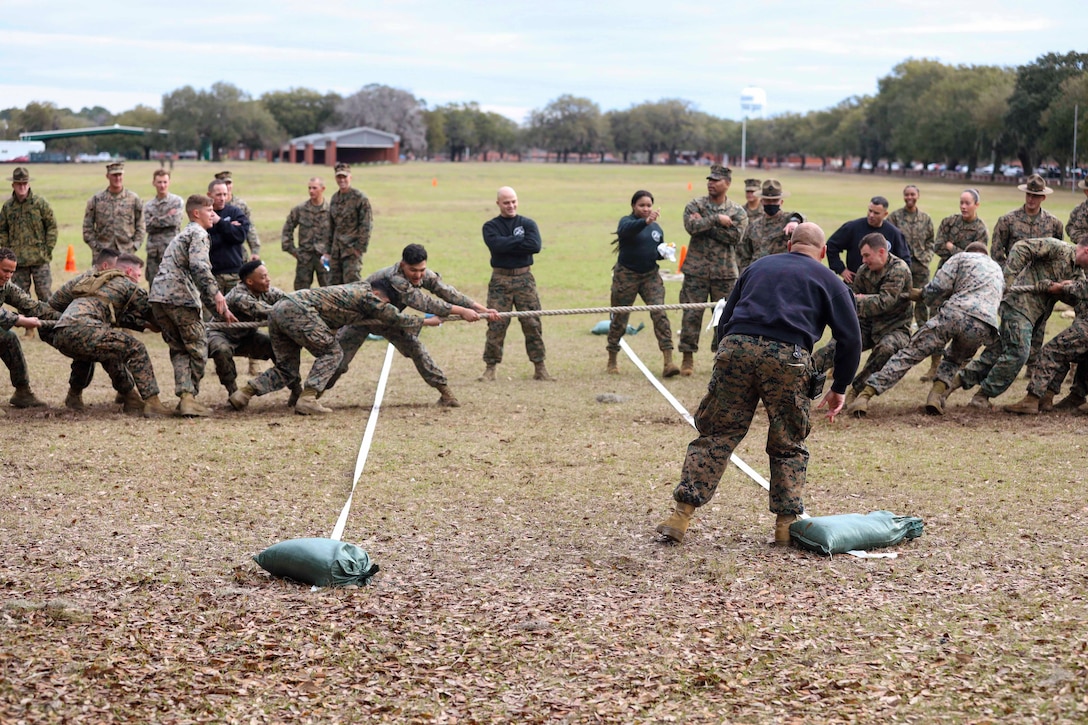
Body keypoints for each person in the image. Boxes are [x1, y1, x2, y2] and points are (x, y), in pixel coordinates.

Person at [655, 223, 861, 546]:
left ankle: (680, 516)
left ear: (790, 243)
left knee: (715, 433)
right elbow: (851, 339)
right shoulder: (829, 280)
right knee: (788, 441)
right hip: (788, 357)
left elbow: (725, 319)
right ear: (822, 252)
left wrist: (727, 356)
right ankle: (784, 525)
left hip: (736, 346)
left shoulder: (757, 267)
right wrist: (840, 387)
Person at [228, 279, 440, 415]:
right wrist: (426, 321)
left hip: (280, 310)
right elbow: (393, 318)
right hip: (298, 310)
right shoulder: (368, 296)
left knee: (287, 368)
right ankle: (308, 398)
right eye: (383, 302)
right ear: (378, 295)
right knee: (332, 352)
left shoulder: (355, 289)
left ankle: (244, 393)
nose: (381, 307)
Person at [329, 243, 497, 407]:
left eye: (421, 270)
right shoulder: (395, 279)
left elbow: (447, 292)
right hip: (363, 319)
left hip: (392, 319)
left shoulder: (424, 274)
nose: (418, 275)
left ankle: (446, 394)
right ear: (403, 265)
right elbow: (426, 304)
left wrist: (481, 309)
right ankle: (311, 397)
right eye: (413, 270)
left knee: (417, 350)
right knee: (339, 360)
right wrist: (462, 311)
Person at [847, 242, 1002, 417]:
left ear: (969, 252)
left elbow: (939, 286)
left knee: (909, 355)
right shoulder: (997, 270)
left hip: (955, 313)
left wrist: (921, 295)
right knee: (954, 360)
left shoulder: (961, 258)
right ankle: (934, 397)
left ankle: (865, 396)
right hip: (983, 325)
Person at [947, 237, 1083, 410]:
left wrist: (1063, 288)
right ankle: (983, 395)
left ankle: (950, 385)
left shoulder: (1078, 274)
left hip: (1034, 318)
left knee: (996, 353)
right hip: (1018, 306)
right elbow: (1021, 247)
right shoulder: (1059, 249)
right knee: (1019, 353)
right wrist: (1007, 281)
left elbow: (1076, 298)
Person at [48, 253, 173, 418]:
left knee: (105, 351)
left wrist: (142, 325)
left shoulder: (98, 281)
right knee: (136, 348)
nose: (139, 278)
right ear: (129, 271)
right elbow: (154, 315)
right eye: (138, 274)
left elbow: (57, 302)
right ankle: (153, 402)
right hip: (87, 329)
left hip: (62, 333)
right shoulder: (127, 284)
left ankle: (78, 396)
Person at [149, 194, 237, 417]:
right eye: (209, 211)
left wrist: (219, 308)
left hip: (159, 298)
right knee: (198, 347)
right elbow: (199, 268)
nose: (213, 215)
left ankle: (185, 396)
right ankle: (189, 398)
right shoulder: (199, 233)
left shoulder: (182, 234)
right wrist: (217, 295)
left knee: (179, 349)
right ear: (196, 213)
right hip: (179, 298)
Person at [811, 234, 912, 405]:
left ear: (881, 252)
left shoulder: (899, 269)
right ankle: (799, 380)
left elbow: (883, 302)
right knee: (835, 347)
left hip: (894, 327)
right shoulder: (863, 271)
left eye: (866, 255)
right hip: (866, 324)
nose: (863, 260)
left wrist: (856, 299)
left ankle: (857, 391)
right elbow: (853, 305)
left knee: (885, 349)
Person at [677, 164, 749, 376]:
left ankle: (722, 358)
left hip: (724, 273)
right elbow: (691, 227)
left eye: (716, 180)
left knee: (725, 319)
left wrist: (705, 226)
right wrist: (718, 221)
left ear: (727, 184)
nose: (710, 183)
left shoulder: (737, 211)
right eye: (709, 179)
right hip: (696, 271)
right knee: (691, 315)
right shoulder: (695, 204)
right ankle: (687, 358)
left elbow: (736, 238)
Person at [1004, 238, 1088, 415]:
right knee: (1074, 353)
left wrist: (1062, 287)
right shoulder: (1066, 258)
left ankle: (1032, 399)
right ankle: (1055, 397)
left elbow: (1082, 289)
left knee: (1052, 351)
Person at [479, 186, 553, 382]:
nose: (511, 205)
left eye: (513, 201)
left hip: (524, 279)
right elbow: (496, 246)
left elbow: (534, 246)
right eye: (506, 202)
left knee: (532, 323)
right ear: (498, 204)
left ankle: (540, 367)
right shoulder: (490, 226)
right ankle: (490, 368)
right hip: (500, 281)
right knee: (496, 324)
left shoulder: (528, 223)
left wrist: (507, 243)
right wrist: (518, 240)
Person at [605, 190, 679, 378]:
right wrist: (644, 222)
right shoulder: (626, 222)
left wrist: (664, 253)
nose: (646, 209)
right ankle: (612, 358)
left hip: (650, 276)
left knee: (659, 313)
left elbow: (653, 251)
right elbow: (626, 231)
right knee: (620, 317)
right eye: (642, 205)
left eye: (649, 205)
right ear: (633, 206)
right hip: (626, 275)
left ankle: (668, 361)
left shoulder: (656, 229)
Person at [928, 189, 989, 381]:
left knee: (962, 322)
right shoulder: (949, 222)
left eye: (967, 203)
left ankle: (956, 364)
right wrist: (959, 251)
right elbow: (937, 246)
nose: (963, 206)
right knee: (936, 317)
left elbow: (977, 258)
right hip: (945, 277)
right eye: (961, 202)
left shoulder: (981, 229)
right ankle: (934, 364)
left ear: (976, 205)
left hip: (966, 283)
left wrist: (952, 247)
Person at [207, 261, 284, 396]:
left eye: (267, 276)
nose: (268, 279)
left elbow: (287, 301)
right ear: (249, 281)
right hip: (222, 334)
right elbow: (267, 311)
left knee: (277, 347)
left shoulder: (266, 291)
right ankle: (233, 392)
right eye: (263, 277)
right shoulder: (239, 296)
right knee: (221, 350)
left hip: (247, 336)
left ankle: (296, 388)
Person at [0, 247, 51, 413]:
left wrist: (62, 313)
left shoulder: (5, 285)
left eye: (11, 272)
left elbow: (30, 305)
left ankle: (22, 391)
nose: (8, 275)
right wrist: (20, 320)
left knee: (9, 339)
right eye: (4, 270)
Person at [0, 167, 58, 303]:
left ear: (29, 184)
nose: (22, 187)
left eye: (25, 183)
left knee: (45, 296)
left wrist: (47, 249)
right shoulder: (8, 207)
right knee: (21, 299)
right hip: (18, 262)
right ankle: (28, 324)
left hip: (40, 259)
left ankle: (47, 324)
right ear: (13, 185)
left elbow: (52, 227)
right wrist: (9, 251)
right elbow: (2, 230)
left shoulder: (40, 204)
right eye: (19, 184)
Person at [827, 196, 912, 285]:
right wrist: (841, 269)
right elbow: (831, 246)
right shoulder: (853, 227)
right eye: (870, 211)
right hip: (855, 282)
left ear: (885, 214)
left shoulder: (894, 233)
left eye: (876, 213)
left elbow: (905, 260)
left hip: (882, 286)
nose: (871, 215)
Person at [990, 174, 1065, 266]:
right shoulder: (1007, 221)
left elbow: (1059, 254)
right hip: (1016, 274)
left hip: (1043, 277)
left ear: (1043, 197)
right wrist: (1007, 272)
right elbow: (996, 252)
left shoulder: (1054, 224)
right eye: (1028, 194)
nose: (1030, 199)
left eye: (1035, 196)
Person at [888, 185, 935, 330]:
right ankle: (899, 326)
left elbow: (931, 241)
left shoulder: (925, 218)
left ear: (918, 196)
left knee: (923, 297)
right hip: (901, 264)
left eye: (912, 194)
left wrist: (926, 257)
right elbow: (888, 240)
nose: (910, 197)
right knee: (900, 296)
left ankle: (922, 328)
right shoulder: (894, 217)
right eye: (907, 194)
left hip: (921, 264)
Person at [737, 179, 804, 272]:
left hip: (781, 273)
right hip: (757, 274)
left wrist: (795, 221)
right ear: (762, 202)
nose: (771, 204)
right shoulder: (753, 226)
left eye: (775, 200)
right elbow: (744, 255)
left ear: (781, 202)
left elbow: (802, 219)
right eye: (768, 201)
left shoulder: (787, 220)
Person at [82, 162, 144, 257]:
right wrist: (96, 247)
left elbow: (141, 225)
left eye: (120, 175)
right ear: (107, 176)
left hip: (126, 253)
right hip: (103, 254)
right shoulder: (96, 200)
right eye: (114, 175)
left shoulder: (133, 199)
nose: (117, 178)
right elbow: (87, 227)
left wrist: (134, 246)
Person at [326, 162, 372, 285]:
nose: (342, 180)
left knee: (352, 286)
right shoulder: (335, 198)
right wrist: (328, 250)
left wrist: (359, 249)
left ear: (350, 177)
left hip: (351, 250)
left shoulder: (360, 198)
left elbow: (366, 225)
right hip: (336, 251)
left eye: (344, 177)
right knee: (333, 287)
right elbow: (331, 226)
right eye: (339, 177)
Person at [281, 177, 331, 290]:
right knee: (300, 292)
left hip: (324, 258)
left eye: (314, 188)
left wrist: (331, 252)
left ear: (323, 189)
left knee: (330, 290)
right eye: (309, 188)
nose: (311, 191)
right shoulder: (300, 209)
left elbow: (337, 232)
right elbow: (287, 229)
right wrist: (293, 250)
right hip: (304, 258)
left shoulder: (330, 210)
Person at [206, 179, 249, 293]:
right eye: (218, 195)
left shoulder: (235, 212)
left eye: (225, 194)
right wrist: (229, 229)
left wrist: (220, 222)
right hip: (212, 273)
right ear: (209, 195)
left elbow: (240, 236)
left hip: (234, 272)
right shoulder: (204, 215)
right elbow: (206, 242)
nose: (222, 198)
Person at [143, 169, 184, 285]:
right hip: (154, 254)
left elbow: (175, 221)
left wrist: (155, 219)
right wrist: (167, 216)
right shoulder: (148, 205)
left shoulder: (177, 201)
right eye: (159, 182)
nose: (162, 185)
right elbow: (147, 226)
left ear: (169, 182)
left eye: (165, 182)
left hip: (172, 252)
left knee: (173, 286)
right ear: (154, 183)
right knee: (154, 286)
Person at [215, 170, 261, 259]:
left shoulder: (240, 205)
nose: (227, 186)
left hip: (237, 252)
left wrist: (255, 250)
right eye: (224, 183)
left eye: (229, 183)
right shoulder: (210, 205)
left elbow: (250, 227)